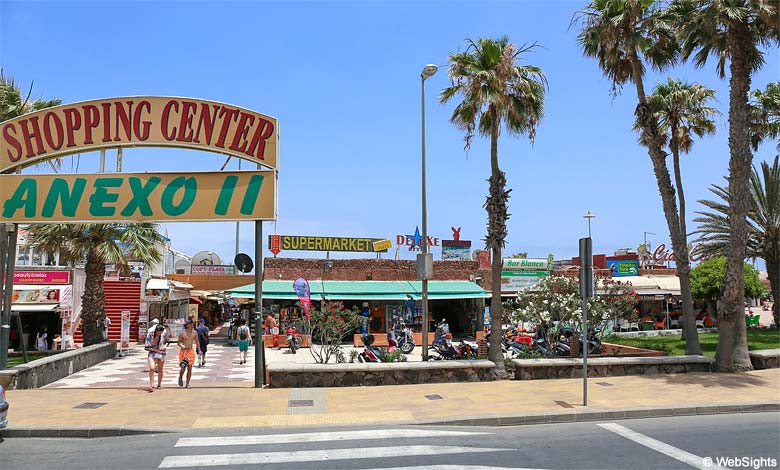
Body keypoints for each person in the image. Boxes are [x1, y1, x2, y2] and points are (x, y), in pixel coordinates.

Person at [177, 321, 201, 388]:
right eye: (190, 325)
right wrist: (182, 346)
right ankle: (180, 377)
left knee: (190, 368)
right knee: (183, 367)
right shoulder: (182, 333)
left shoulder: (195, 333)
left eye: (192, 325)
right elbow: (178, 343)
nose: (192, 326)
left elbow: (197, 342)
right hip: (184, 351)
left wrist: (199, 349)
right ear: (187, 325)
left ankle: (187, 383)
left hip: (190, 351)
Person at [146, 324, 167, 391]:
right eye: (159, 332)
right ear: (156, 330)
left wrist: (164, 346)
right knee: (152, 368)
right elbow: (147, 347)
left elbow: (167, 341)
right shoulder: (150, 335)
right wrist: (157, 350)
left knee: (160, 369)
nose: (160, 333)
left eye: (161, 332)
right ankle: (151, 385)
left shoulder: (163, 335)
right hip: (152, 352)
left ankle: (159, 384)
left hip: (161, 353)